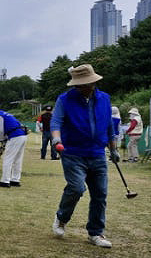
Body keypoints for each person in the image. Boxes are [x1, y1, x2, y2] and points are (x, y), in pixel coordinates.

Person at [50, 64, 118, 248]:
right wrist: (56, 140)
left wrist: (113, 149)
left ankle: (96, 233)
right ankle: (61, 218)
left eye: (85, 84)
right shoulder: (64, 100)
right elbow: (56, 122)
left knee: (100, 195)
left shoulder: (105, 99)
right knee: (77, 188)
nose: (81, 88)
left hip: (97, 153)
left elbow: (109, 126)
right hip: (72, 153)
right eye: (78, 85)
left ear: (93, 83)